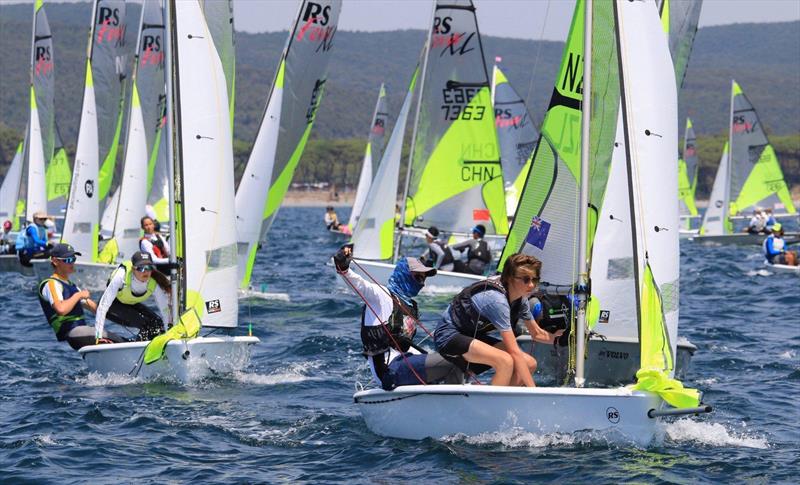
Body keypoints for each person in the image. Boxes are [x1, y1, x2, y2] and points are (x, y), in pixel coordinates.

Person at [333, 244, 463, 390]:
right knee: (453, 363)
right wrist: (343, 266)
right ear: (404, 274)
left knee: (461, 362)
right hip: (389, 370)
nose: (422, 282)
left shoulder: (410, 305)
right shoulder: (381, 295)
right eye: (418, 277)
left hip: (406, 363)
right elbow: (359, 284)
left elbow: (405, 347)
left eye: (424, 278)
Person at [434, 253, 562, 386]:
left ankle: (507, 404)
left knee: (529, 363)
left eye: (535, 280)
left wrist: (561, 340)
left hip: (473, 336)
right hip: (448, 336)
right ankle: (493, 405)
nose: (531, 285)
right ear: (509, 278)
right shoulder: (496, 301)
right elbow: (514, 352)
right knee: (505, 361)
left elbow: (537, 333)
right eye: (525, 279)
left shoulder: (521, 299)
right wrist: (535, 392)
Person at [37, 243, 125, 350]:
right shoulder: (51, 284)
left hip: (80, 332)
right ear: (55, 261)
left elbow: (95, 308)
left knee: (119, 338)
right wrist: (79, 295)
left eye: (73, 259)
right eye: (68, 260)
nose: (72, 263)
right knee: (119, 341)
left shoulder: (71, 286)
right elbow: (61, 309)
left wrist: (117, 312)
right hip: (73, 332)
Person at [95, 251, 172, 342]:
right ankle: (140, 348)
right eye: (141, 268)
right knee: (147, 324)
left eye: (149, 268)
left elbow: (165, 311)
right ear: (133, 269)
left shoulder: (153, 283)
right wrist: (98, 336)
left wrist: (169, 336)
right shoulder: (121, 276)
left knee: (158, 323)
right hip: (114, 304)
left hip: (130, 304)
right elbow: (103, 306)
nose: (146, 272)